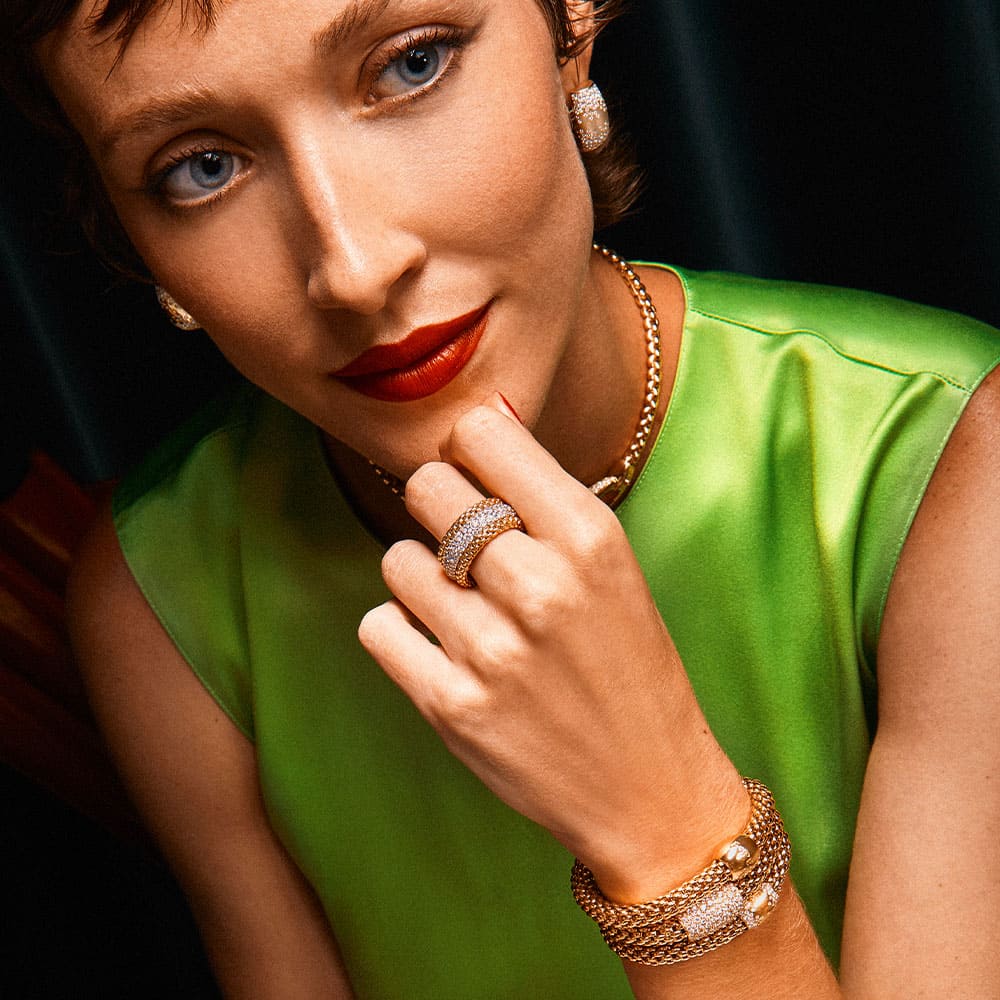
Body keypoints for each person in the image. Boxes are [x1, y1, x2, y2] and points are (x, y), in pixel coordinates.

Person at [4, 0, 999, 996]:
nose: (354, 270)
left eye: (412, 65)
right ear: (134, 240)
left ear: (572, 27)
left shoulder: (939, 459)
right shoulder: (166, 596)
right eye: (201, 167)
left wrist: (667, 829)